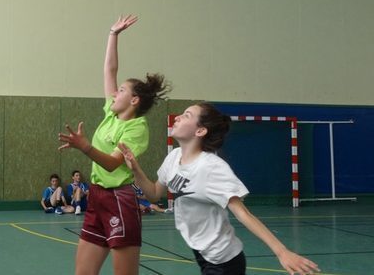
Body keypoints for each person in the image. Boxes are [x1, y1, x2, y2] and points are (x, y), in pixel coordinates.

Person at [119, 103, 321, 275]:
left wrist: (281, 251)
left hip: (224, 261)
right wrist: (136, 169)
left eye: (187, 115)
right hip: (203, 253)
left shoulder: (212, 167)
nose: (178, 117)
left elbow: (243, 213)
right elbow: (154, 193)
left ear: (200, 131)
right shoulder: (173, 157)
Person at [58, 14, 170, 275]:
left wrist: (85, 147)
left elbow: (111, 164)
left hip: (120, 199)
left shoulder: (136, 128)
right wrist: (113, 34)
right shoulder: (111, 112)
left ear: (134, 101)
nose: (115, 93)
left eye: (121, 90)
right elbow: (109, 70)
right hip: (96, 196)